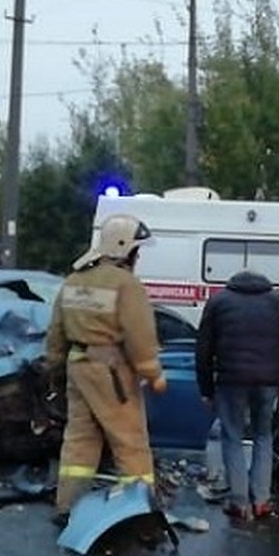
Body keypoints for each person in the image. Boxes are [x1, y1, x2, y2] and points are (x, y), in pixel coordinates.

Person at [45, 215, 167, 526]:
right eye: (136, 250)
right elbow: (139, 336)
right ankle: (140, 511)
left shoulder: (74, 281)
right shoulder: (127, 285)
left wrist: (54, 370)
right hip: (111, 372)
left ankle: (68, 506)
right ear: (124, 247)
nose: (137, 257)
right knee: (130, 441)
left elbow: (56, 334)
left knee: (79, 442)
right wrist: (153, 373)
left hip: (77, 368)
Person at [195, 270, 279, 523]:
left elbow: (203, 349)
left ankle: (239, 502)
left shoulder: (219, 301)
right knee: (263, 436)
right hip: (268, 382)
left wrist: (206, 389)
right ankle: (261, 501)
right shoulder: (276, 302)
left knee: (232, 437)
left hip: (230, 381)